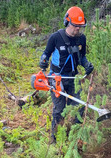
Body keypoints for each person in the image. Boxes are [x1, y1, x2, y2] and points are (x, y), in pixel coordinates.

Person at [39, 6, 94, 143]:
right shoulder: (56, 38)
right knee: (59, 109)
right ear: (67, 22)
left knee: (79, 105)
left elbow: (82, 57)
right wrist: (43, 60)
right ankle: (55, 139)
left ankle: (74, 136)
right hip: (56, 78)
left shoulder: (82, 39)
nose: (78, 29)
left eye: (80, 26)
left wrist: (87, 65)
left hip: (73, 78)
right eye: (76, 26)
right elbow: (46, 53)